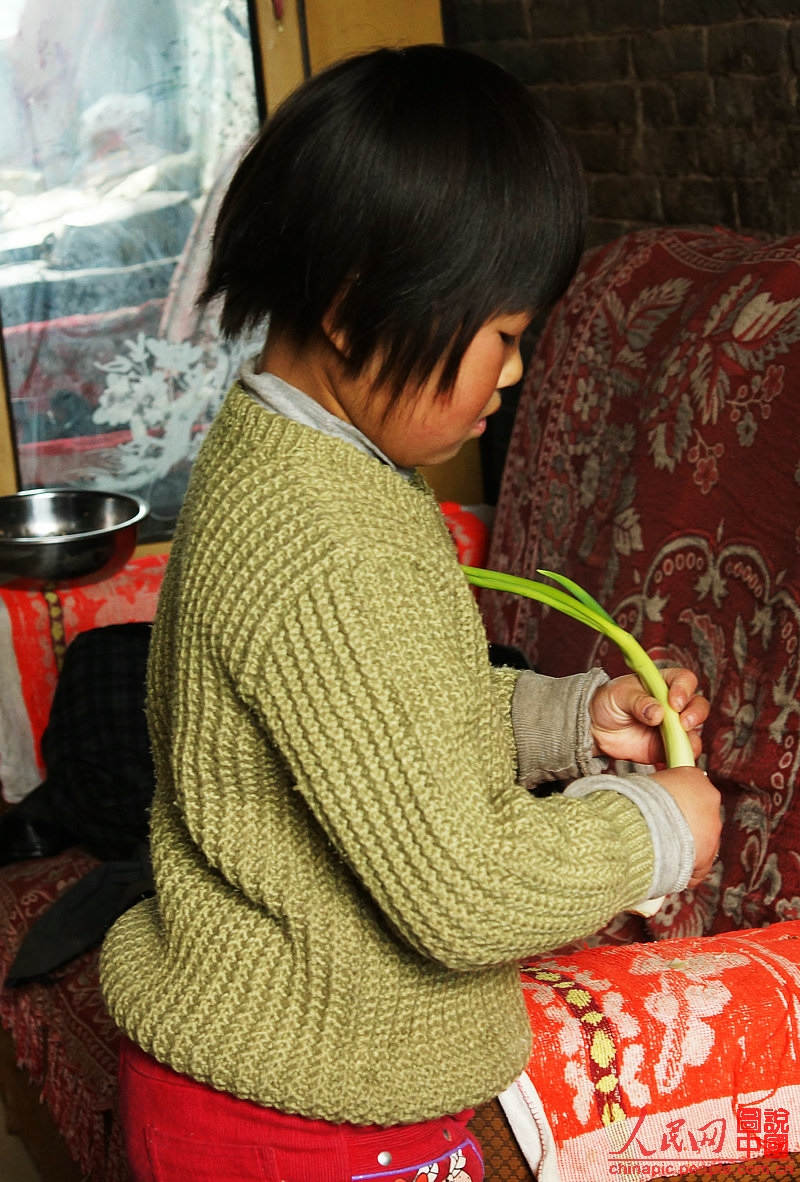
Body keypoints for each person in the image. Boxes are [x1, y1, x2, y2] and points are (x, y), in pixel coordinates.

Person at [100, 43, 721, 1182]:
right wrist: (659, 828)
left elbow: (377, 728)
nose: (516, 372)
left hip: (309, 1098)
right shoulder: (331, 539)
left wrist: (571, 722)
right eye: (499, 335)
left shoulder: (297, 462)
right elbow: (460, 887)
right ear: (352, 311)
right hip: (290, 1127)